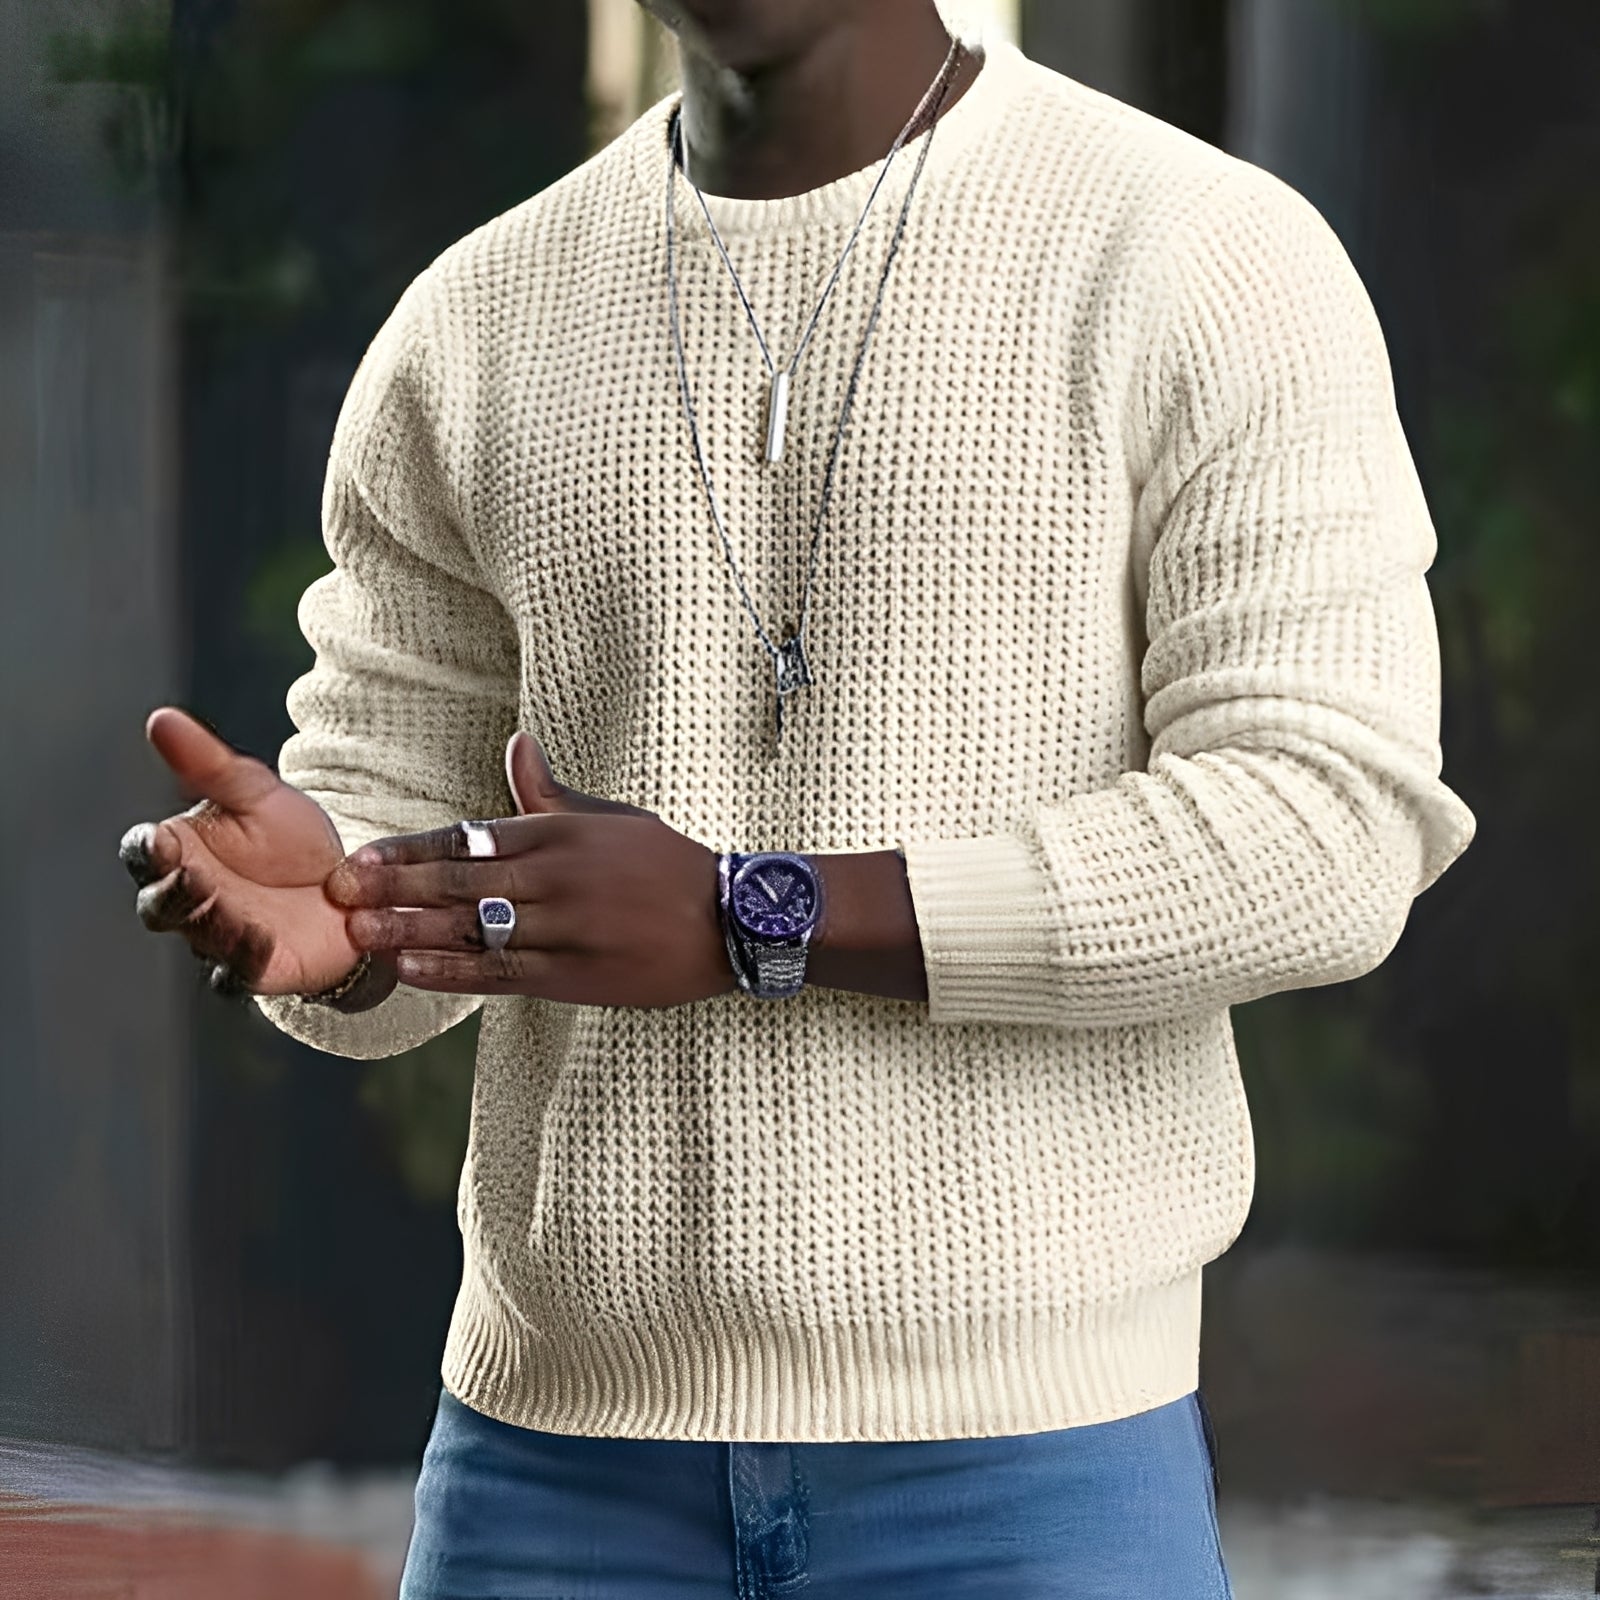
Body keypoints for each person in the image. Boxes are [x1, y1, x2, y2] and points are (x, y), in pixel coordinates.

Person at [118, 0, 1477, 1593]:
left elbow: (1325, 825)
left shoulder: (1202, 256)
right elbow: (394, 833)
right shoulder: (477, 320)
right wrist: (344, 914)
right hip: (549, 1472)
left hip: (1025, 1466)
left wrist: (749, 915)